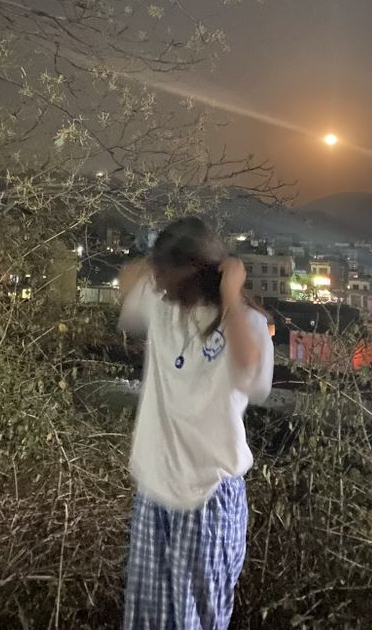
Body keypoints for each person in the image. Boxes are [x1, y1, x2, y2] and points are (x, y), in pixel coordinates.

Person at [118, 217, 274, 630]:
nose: (158, 282)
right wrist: (155, 251)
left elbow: (251, 376)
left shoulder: (245, 323)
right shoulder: (163, 306)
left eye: (165, 274)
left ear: (189, 272)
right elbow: (125, 284)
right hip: (156, 489)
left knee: (196, 623)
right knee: (146, 621)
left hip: (208, 497)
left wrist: (229, 294)